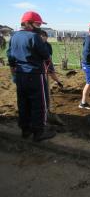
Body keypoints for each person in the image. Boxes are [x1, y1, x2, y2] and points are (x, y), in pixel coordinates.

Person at [7, 11, 56, 141]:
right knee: (39, 104)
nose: (39, 26)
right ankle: (39, 132)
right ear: (28, 23)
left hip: (20, 74)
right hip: (35, 75)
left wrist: (14, 74)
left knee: (23, 102)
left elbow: (11, 58)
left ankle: (25, 130)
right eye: (37, 23)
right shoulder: (34, 37)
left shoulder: (14, 37)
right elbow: (45, 55)